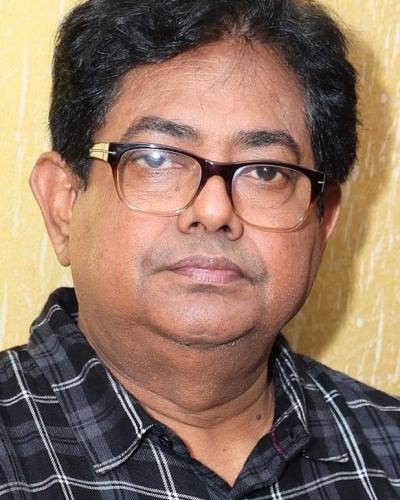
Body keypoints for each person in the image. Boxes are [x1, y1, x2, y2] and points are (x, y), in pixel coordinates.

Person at [0, 0, 399, 497]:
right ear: (64, 203)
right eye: (156, 158)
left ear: (323, 222)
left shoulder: (389, 452)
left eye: (266, 171)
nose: (213, 210)